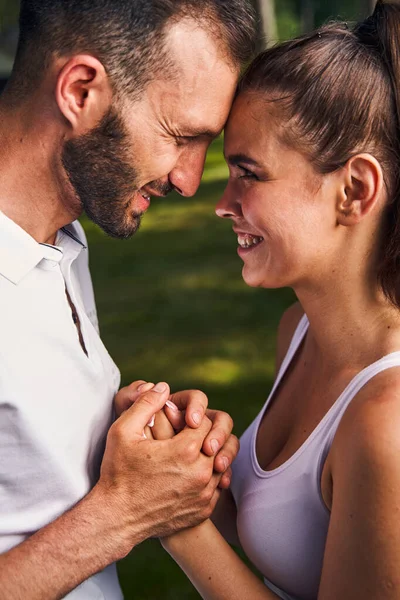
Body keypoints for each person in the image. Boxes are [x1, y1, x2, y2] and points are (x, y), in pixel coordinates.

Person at [0, 1, 258, 599]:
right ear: (81, 90)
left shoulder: (59, 240)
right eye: (181, 136)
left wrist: (143, 441)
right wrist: (126, 514)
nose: (191, 181)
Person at [145, 2, 400, 599]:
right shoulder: (300, 331)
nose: (222, 202)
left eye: (249, 174)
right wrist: (193, 468)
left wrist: (174, 521)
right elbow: (293, 537)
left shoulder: (385, 424)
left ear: (354, 191)